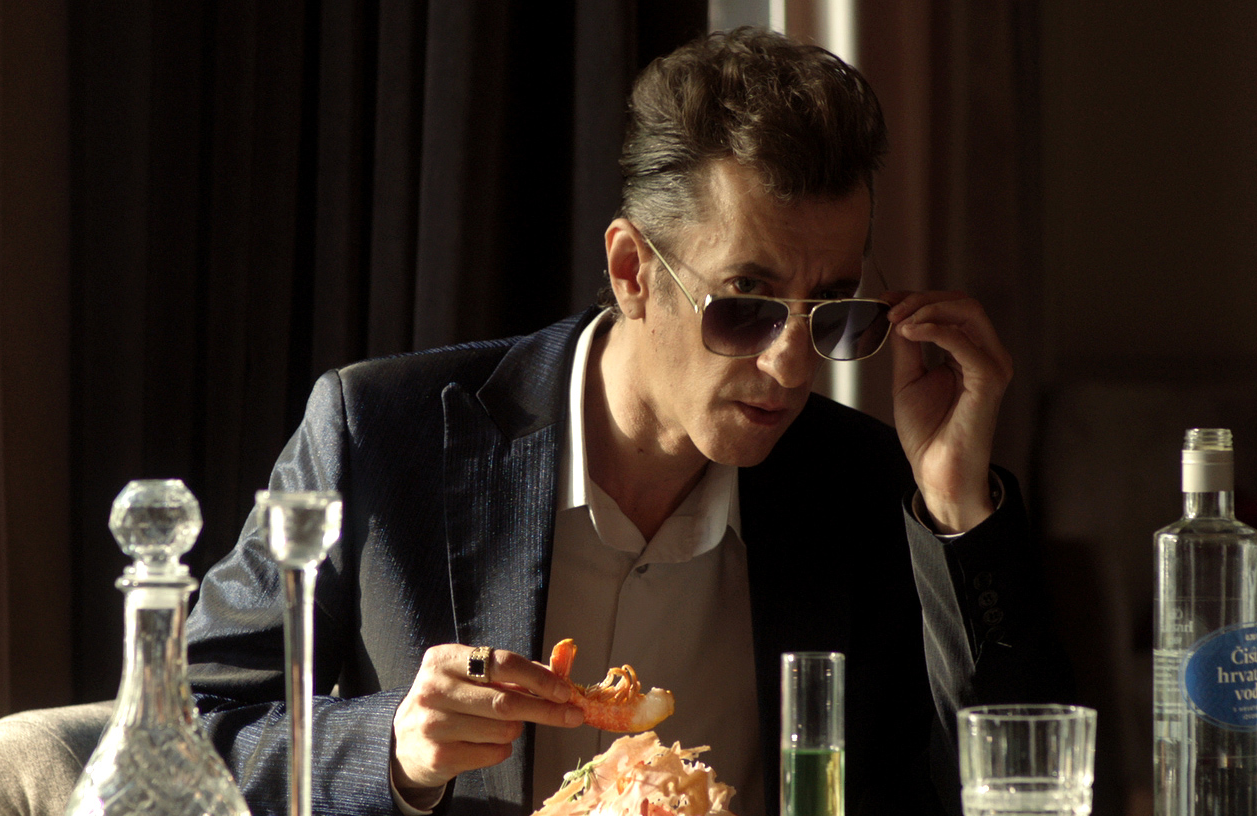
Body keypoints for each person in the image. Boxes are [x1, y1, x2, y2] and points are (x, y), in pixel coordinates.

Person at [186, 27, 1072, 816]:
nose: (794, 367)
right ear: (631, 270)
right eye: (748, 304)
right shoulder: (380, 436)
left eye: (833, 311)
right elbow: (182, 734)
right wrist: (393, 749)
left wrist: (956, 510)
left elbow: (1018, 785)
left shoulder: (868, 490)